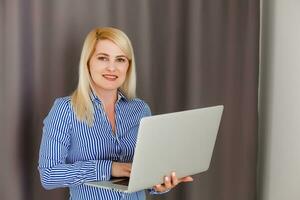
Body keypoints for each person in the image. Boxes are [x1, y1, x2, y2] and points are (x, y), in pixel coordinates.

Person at [38, 27, 193, 200]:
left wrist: (160, 185)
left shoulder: (140, 110)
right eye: (103, 58)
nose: (112, 68)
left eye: (120, 59)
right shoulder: (65, 109)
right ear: (88, 62)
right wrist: (111, 168)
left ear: (128, 66)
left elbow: (144, 174)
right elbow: (49, 175)